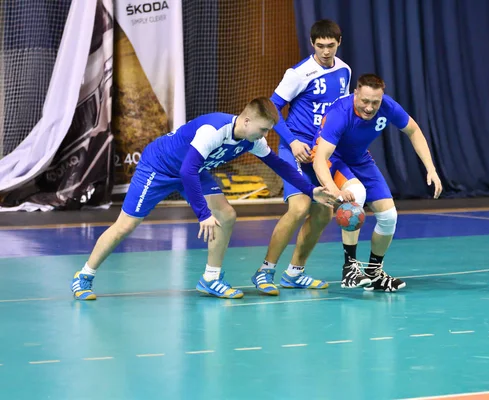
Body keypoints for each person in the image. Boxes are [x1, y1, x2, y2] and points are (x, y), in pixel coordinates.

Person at [70, 97, 337, 300]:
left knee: (228, 215)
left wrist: (310, 190)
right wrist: (203, 214)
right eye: (263, 129)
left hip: (193, 170)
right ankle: (84, 276)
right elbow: (186, 171)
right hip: (160, 167)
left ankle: (211, 278)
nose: (264, 135)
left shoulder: (252, 140)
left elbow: (281, 166)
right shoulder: (214, 129)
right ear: (246, 121)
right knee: (126, 225)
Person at [312, 73, 443, 291]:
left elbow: (414, 130)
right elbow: (319, 159)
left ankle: (374, 272)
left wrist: (431, 168)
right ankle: (350, 269)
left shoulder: (388, 107)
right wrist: (335, 191)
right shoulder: (340, 113)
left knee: (389, 216)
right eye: (365, 101)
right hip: (333, 159)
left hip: (360, 159)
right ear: (356, 94)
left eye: (375, 102)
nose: (370, 107)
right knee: (357, 194)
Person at [250, 20, 352, 295]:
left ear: (339, 43)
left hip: (322, 152)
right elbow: (272, 109)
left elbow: (339, 113)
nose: (326, 51)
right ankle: (264, 271)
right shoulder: (299, 73)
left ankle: (295, 272)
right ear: (312, 43)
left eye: (331, 46)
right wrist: (293, 141)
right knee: (298, 209)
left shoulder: (344, 71)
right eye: (320, 46)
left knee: (323, 213)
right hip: (295, 148)